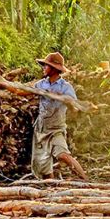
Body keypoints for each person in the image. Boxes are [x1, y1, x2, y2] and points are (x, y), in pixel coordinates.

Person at [31, 52, 87, 180]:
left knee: (63, 155)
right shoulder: (41, 84)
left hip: (56, 129)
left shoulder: (65, 87)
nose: (44, 68)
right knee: (43, 167)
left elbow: (75, 109)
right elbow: (23, 91)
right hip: (41, 130)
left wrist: (67, 102)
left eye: (46, 66)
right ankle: (50, 190)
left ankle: (86, 181)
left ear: (55, 69)